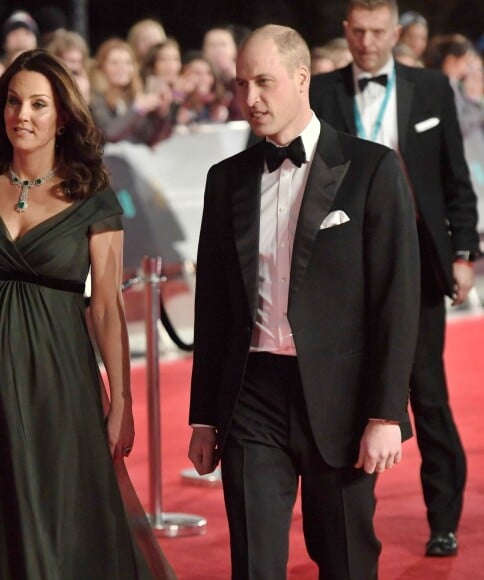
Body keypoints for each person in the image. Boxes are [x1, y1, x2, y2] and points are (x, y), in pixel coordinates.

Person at [0, 49, 174, 580]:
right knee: (0, 516)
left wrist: (121, 400)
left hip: (63, 383)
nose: (23, 115)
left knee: (67, 516)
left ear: (62, 117)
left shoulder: (92, 193)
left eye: (39, 103)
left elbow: (106, 308)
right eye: (14, 102)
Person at [188, 24, 420, 579]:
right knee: (255, 565)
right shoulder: (226, 181)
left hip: (341, 400)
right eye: (242, 84)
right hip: (252, 396)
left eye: (264, 82)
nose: (251, 99)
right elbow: (213, 307)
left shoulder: (372, 170)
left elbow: (397, 299)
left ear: (301, 77)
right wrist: (203, 418)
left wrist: (385, 412)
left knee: (345, 560)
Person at [310, 0, 481, 558]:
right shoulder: (322, 91)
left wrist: (463, 253)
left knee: (428, 395)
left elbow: (456, 177)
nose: (366, 42)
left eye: (377, 31)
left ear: (395, 31)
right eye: (357, 32)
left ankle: (445, 519)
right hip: (348, 268)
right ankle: (355, 532)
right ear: (345, 31)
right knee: (355, 399)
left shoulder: (432, 88)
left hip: (422, 265)